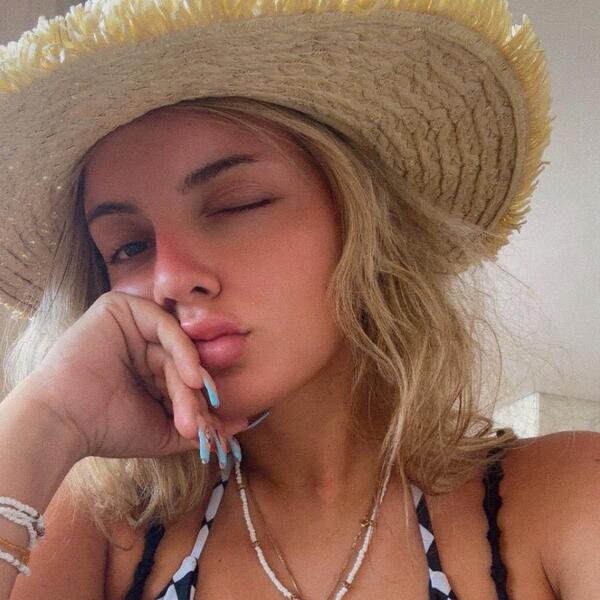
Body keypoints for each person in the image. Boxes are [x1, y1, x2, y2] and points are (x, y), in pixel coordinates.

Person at [0, 0, 598, 599]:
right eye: (128, 246)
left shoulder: (561, 496)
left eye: (238, 205)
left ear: (362, 224)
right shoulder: (98, 529)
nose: (170, 279)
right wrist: (48, 418)